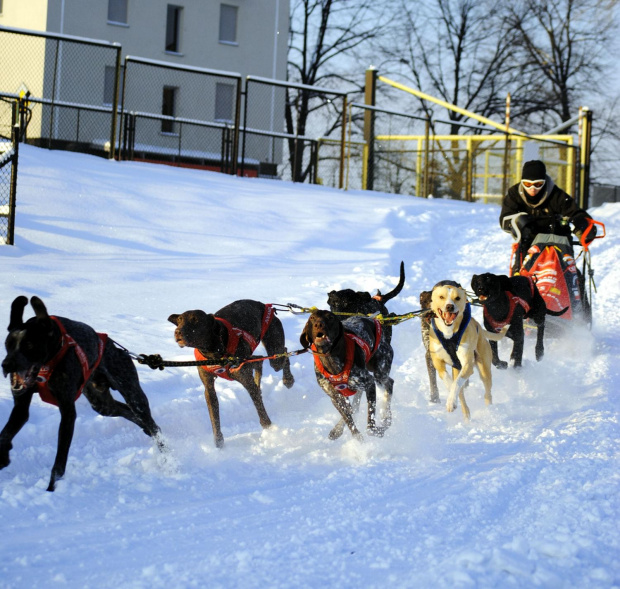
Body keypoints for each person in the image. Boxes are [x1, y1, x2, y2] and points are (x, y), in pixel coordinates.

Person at [499, 159, 595, 273]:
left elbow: (576, 213)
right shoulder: (514, 194)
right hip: (528, 240)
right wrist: (519, 221)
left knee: (569, 274)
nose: (532, 188)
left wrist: (583, 225)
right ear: (522, 182)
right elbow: (505, 219)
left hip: (558, 239)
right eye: (527, 184)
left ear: (544, 182)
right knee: (519, 275)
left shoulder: (556, 195)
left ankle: (575, 286)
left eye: (538, 184)